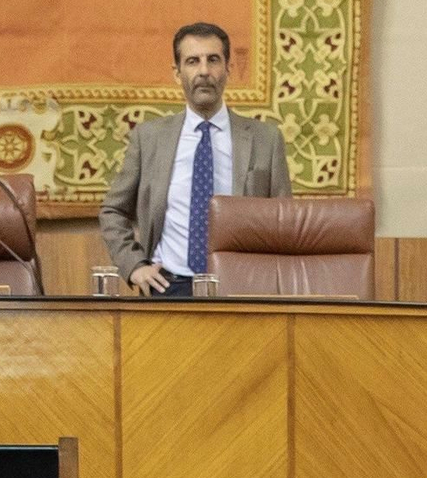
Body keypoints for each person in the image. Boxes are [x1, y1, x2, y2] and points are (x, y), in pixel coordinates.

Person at [99, 22, 292, 297]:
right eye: (192, 61)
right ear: (177, 74)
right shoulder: (149, 138)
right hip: (168, 287)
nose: (204, 71)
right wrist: (134, 266)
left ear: (228, 69)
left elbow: (284, 221)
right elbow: (113, 211)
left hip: (243, 288)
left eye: (213, 60)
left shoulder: (266, 140)